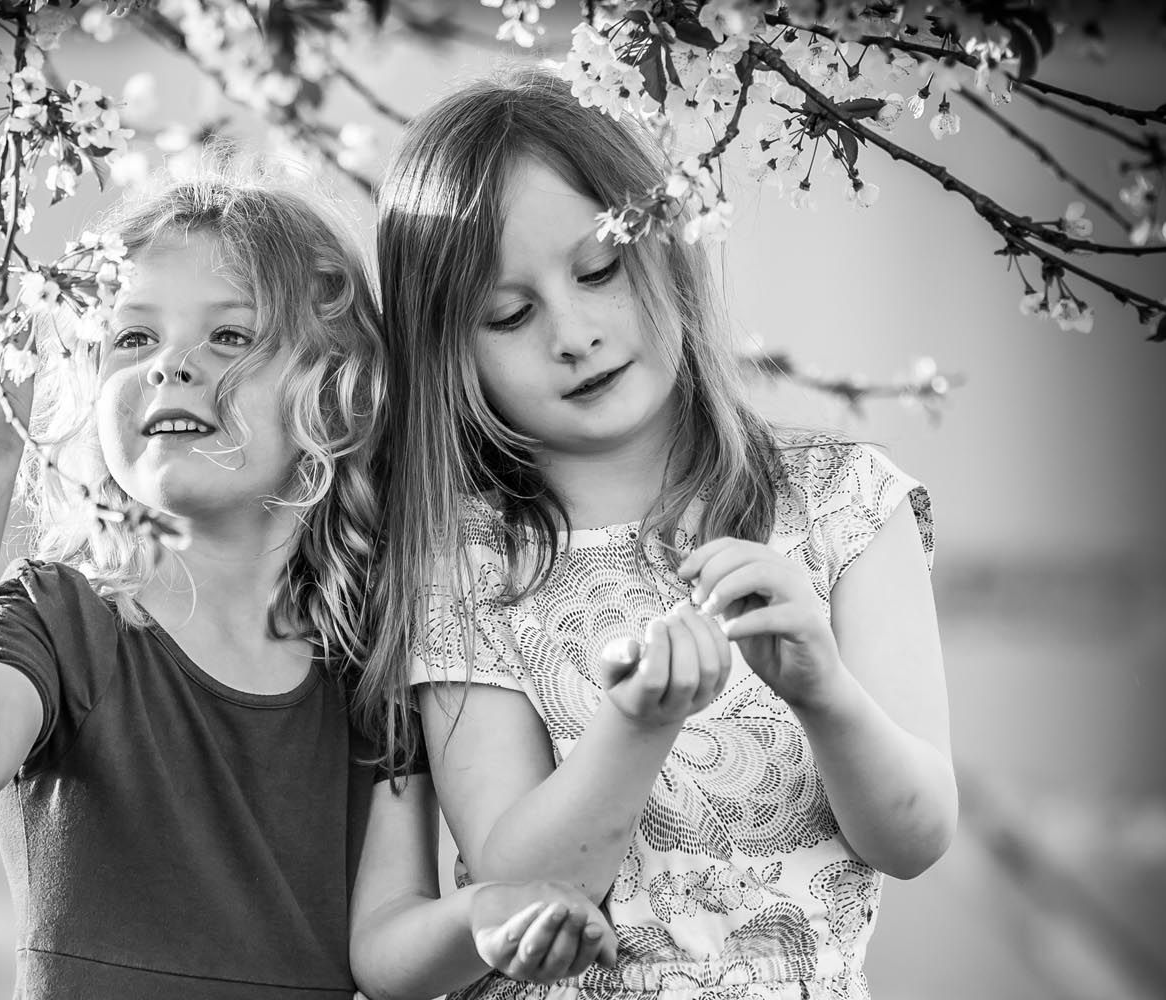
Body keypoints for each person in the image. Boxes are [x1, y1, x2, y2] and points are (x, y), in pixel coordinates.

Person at [0, 165, 617, 1000]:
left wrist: (489, 917)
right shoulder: (63, 620)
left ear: (337, 392)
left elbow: (390, 951)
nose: (170, 366)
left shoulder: (371, 655)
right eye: (132, 339)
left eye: (229, 336)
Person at [363, 68, 958, 999]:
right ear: (451, 354)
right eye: (509, 315)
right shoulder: (466, 564)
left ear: (669, 251)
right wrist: (636, 727)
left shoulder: (843, 504)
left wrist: (824, 692)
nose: (572, 331)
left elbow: (916, 837)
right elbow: (513, 883)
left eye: (598, 270)